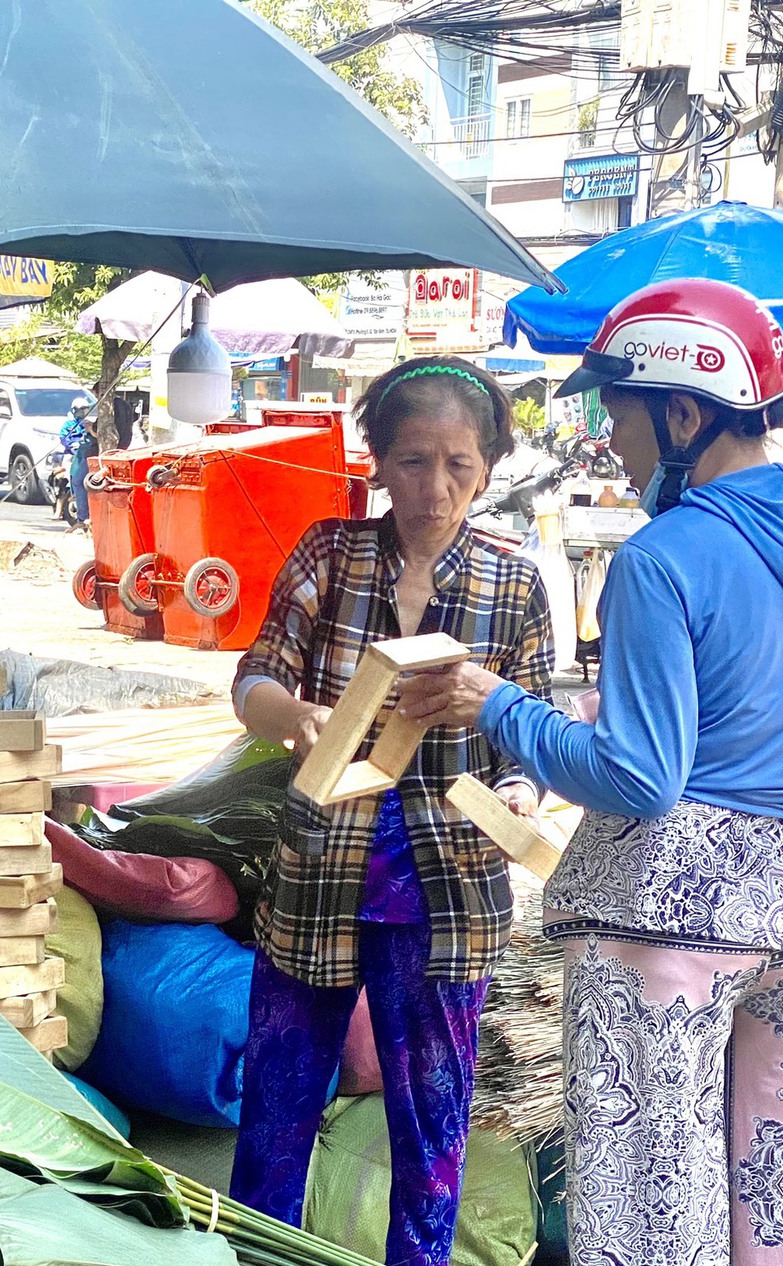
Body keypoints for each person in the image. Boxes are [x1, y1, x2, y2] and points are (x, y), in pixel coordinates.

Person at [397, 281, 783, 1266]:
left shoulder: (660, 558)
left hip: (667, 928)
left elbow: (638, 779)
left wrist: (492, 703)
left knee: (648, 1205)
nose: (610, 446)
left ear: (681, 411)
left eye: (618, 416)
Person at [229, 356, 554, 1266]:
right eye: (414, 461)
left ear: (488, 467)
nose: (437, 487)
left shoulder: (513, 582)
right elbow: (252, 676)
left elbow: (531, 730)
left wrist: (520, 797)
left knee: (431, 1123)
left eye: (459, 464)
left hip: (447, 890)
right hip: (320, 873)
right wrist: (298, 720)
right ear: (377, 460)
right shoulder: (329, 555)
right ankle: (259, 1254)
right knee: (279, 1104)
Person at [59, 397, 96, 529]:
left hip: (85, 453)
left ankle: (83, 516)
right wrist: (71, 444)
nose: (82, 412)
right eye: (80, 409)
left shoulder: (89, 422)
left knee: (80, 480)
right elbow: (64, 437)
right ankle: (73, 494)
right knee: (73, 474)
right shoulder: (69, 423)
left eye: (84, 409)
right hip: (72, 452)